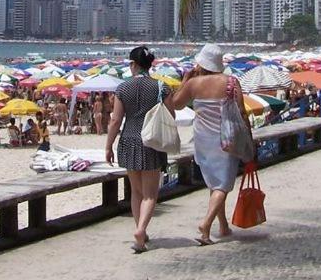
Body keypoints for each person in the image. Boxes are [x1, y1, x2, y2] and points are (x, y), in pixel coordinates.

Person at [171, 43, 250, 246]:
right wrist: (249, 137)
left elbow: (176, 104)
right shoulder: (231, 81)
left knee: (215, 182)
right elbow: (242, 111)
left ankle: (222, 226)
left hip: (202, 139)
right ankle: (206, 225)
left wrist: (185, 82)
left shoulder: (193, 84)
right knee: (223, 184)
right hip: (226, 138)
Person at [106, 46, 171, 254]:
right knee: (150, 195)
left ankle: (139, 230)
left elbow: (116, 120)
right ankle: (141, 231)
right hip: (152, 141)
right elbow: (170, 116)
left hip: (129, 140)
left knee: (136, 191)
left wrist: (108, 146)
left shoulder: (123, 88)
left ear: (133, 64)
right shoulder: (162, 87)